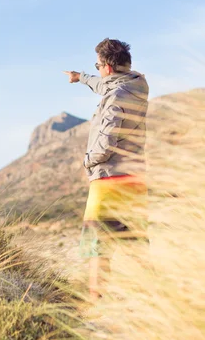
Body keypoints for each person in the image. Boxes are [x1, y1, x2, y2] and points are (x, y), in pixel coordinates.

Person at [63, 38, 150, 301]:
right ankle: (152, 302)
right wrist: (81, 77)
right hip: (135, 180)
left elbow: (107, 139)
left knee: (96, 246)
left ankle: (96, 302)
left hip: (109, 180)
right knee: (136, 245)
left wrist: (89, 160)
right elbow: (103, 84)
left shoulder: (116, 97)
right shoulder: (137, 86)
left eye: (98, 66)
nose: (98, 70)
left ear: (108, 68)